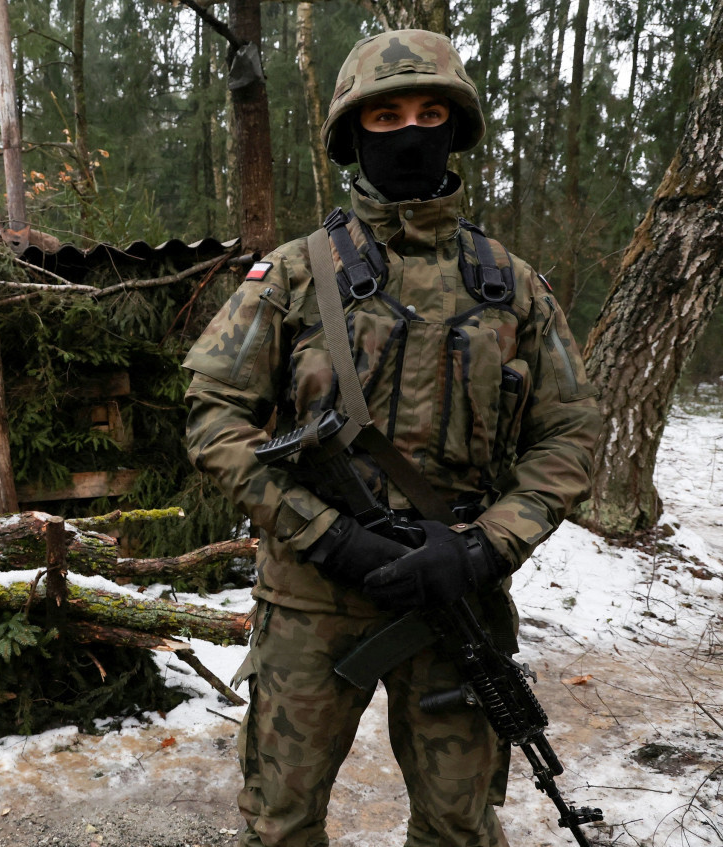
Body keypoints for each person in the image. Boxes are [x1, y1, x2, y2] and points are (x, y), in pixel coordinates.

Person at [183, 29, 599, 846]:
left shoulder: (511, 285)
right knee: (281, 821)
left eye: (431, 111)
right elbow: (213, 416)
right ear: (351, 134)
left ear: (457, 126)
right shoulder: (296, 275)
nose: (411, 131)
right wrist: (327, 536)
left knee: (460, 827)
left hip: (455, 598)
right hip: (312, 598)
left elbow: (571, 434)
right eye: (387, 117)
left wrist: (484, 547)